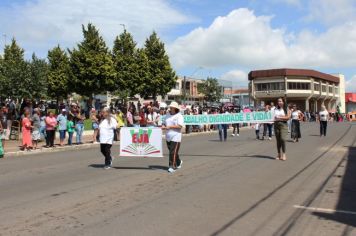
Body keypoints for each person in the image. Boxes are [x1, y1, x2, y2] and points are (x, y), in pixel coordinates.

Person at [162, 101, 184, 173]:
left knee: (172, 152)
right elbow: (164, 123)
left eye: (172, 107)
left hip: (176, 136)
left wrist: (170, 126)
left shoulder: (179, 116)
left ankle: (172, 166)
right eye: (170, 107)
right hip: (168, 136)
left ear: (175, 108)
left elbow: (180, 126)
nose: (170, 108)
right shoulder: (167, 115)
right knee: (173, 151)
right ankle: (178, 162)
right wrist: (163, 126)